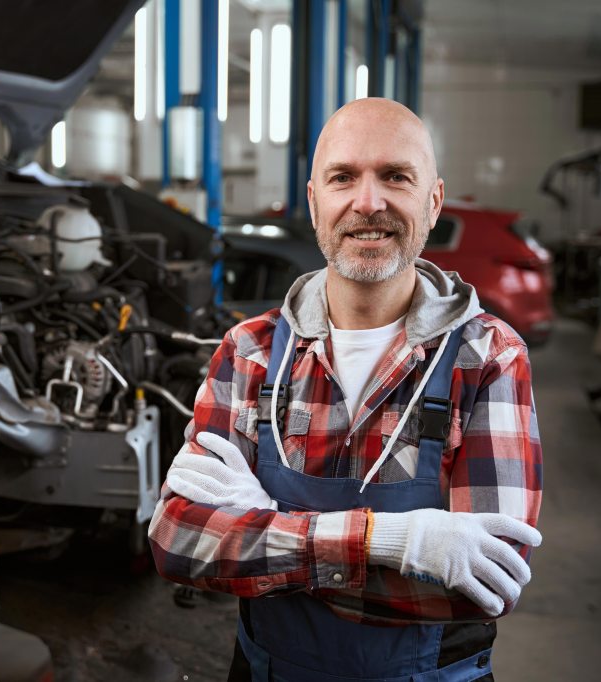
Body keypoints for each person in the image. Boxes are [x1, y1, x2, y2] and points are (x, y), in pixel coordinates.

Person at [148, 97, 543, 682]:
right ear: (315, 203)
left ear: (432, 202)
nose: (367, 202)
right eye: (343, 178)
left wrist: (265, 529)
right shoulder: (249, 351)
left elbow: (484, 585)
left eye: (394, 176)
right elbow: (179, 542)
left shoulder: (488, 357)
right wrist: (393, 542)